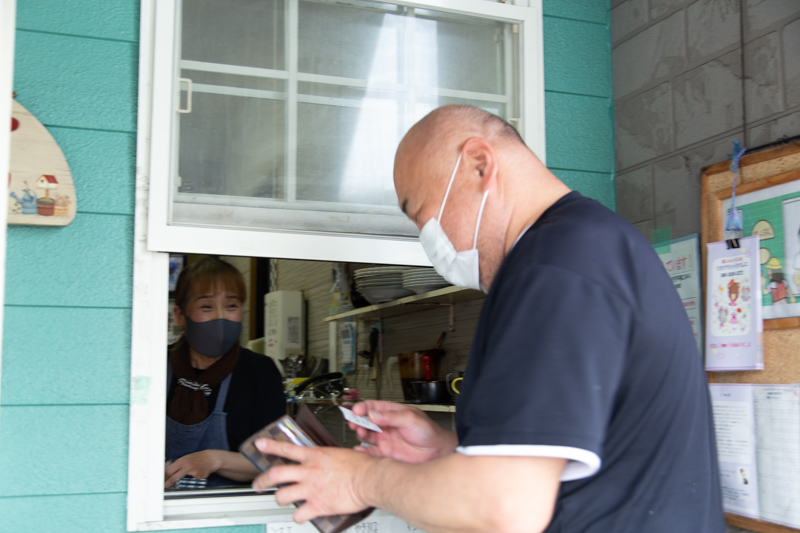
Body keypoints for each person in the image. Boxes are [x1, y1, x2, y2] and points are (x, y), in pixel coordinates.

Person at [252, 105, 725, 532]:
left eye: (421, 214)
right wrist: (444, 449)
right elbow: (565, 464)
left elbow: (506, 507)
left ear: (479, 164)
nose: (428, 240)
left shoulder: (555, 266)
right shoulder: (584, 244)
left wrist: (362, 480)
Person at [165, 256, 285, 488]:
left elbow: (274, 460)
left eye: (231, 306)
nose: (220, 317)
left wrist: (215, 460)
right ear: (180, 316)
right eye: (206, 307)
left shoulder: (259, 371)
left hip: (231, 504)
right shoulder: (156, 365)